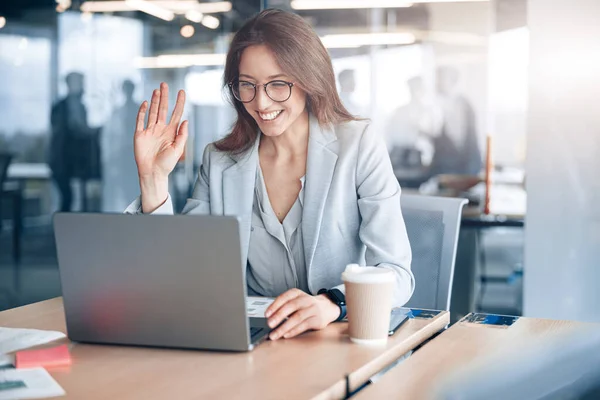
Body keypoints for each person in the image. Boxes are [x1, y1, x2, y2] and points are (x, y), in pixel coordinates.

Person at [125, 9, 413, 341]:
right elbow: (180, 273)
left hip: (335, 339)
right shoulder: (219, 161)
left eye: (277, 84)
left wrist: (333, 302)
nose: (261, 102)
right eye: (247, 85)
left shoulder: (358, 144)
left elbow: (396, 273)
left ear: (309, 79)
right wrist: (153, 179)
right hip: (255, 342)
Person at [50, 72, 100, 212]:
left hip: (77, 163)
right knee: (68, 198)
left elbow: (81, 129)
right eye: (80, 83)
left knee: (75, 199)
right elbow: (70, 131)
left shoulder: (80, 107)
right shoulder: (60, 108)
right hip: (63, 162)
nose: (83, 87)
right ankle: (60, 231)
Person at [429, 66, 482, 176]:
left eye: (440, 79)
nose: (436, 84)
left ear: (452, 81)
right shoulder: (448, 104)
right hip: (455, 170)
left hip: (461, 172)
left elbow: (455, 143)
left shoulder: (459, 105)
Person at [101, 80, 140, 212]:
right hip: (123, 154)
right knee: (125, 188)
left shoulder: (139, 110)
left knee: (135, 187)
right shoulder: (118, 112)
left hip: (136, 153)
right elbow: (113, 136)